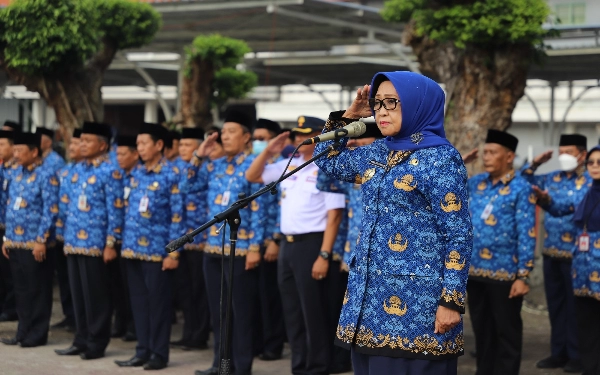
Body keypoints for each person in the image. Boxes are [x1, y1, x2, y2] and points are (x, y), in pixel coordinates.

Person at [312, 71, 473, 375]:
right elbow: (327, 160)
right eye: (377, 104)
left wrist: (451, 301)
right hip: (368, 301)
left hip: (418, 306)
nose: (381, 111)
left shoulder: (440, 158)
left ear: (417, 105)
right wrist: (349, 116)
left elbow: (458, 234)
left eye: (392, 102)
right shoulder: (377, 152)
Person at [246, 115, 346, 375]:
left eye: (307, 135)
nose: (300, 141)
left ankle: (318, 366)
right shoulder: (289, 164)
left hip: (312, 244)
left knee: (313, 311)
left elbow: (334, 216)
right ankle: (299, 365)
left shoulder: (327, 167)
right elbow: (252, 175)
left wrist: (324, 254)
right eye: (297, 136)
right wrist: (269, 150)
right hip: (287, 246)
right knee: (292, 311)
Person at [183, 110, 263, 375]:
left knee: (241, 313)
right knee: (219, 311)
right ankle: (220, 364)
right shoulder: (215, 164)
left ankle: (241, 367)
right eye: (223, 132)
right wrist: (199, 153)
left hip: (240, 249)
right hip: (212, 248)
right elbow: (186, 186)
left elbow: (261, 207)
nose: (225, 137)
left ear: (246, 137)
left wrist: (254, 247)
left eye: (231, 132)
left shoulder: (254, 164)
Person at [466, 129, 536, 375]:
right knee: (482, 333)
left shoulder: (521, 188)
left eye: (493, 152)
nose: (486, 157)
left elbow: (527, 232)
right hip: (474, 271)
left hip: (506, 274)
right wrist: (461, 162)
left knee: (506, 333)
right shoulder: (475, 183)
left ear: (509, 157)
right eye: (485, 152)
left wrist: (523, 275)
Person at [115, 122, 183, 370]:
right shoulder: (136, 173)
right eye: (138, 144)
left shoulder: (171, 174)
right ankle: (142, 350)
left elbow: (178, 216)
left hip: (158, 251)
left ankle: (158, 353)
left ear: (159, 145)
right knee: (139, 304)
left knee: (158, 306)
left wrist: (173, 252)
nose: (139, 148)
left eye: (144, 143)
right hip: (133, 249)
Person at [55, 122, 124, 360]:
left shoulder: (110, 171)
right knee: (79, 296)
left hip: (96, 244)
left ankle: (96, 342)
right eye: (80, 140)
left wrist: (111, 243)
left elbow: (116, 210)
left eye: (87, 141)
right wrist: (63, 236)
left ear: (102, 145)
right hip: (73, 241)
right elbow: (65, 205)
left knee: (96, 297)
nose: (81, 144)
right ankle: (80, 339)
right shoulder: (75, 170)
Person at [520, 134, 588, 372]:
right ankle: (558, 353)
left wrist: (547, 201)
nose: (564, 156)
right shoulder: (553, 177)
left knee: (575, 308)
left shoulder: (591, 181)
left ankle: (577, 356)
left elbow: (573, 207)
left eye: (569, 151)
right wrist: (535, 164)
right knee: (556, 306)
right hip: (551, 252)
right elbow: (522, 183)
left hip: (578, 256)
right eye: (562, 152)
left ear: (582, 154)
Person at [532, 145, 600, 375]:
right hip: (582, 267)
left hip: (592, 266)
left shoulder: (586, 186)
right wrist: (545, 200)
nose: (594, 167)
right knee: (582, 318)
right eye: (592, 163)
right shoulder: (591, 193)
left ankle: (580, 357)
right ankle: (580, 361)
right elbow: (562, 209)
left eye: (598, 163)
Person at [0, 131, 59, 347]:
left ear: (34, 152)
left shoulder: (47, 175)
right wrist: (7, 238)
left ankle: (37, 333)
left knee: (38, 289)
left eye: (19, 150)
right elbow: (8, 207)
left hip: (35, 243)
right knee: (21, 290)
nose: (15, 154)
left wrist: (41, 240)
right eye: (13, 150)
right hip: (15, 241)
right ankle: (22, 331)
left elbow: (50, 210)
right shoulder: (16, 174)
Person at [170, 127, 211, 351]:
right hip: (181, 238)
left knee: (199, 290)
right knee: (184, 291)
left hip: (200, 237)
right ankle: (188, 332)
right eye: (181, 145)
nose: (183, 149)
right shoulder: (177, 169)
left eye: (188, 145)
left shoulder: (205, 169)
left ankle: (200, 334)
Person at [251, 118, 286, 362]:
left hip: (274, 241)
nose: (257, 143)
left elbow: (283, 208)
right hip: (254, 241)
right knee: (257, 297)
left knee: (272, 297)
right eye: (255, 139)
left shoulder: (283, 167)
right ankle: (259, 341)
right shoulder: (257, 166)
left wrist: (275, 239)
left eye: (262, 138)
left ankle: (274, 344)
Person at [53, 128, 83, 333]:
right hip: (64, 232)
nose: (71, 148)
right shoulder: (65, 170)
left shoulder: (92, 171)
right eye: (70, 144)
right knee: (65, 278)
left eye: (76, 144)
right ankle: (70, 315)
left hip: (85, 238)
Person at [110, 134, 140, 342]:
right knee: (118, 286)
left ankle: (133, 327)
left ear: (134, 155)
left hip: (138, 241)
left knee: (135, 290)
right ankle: (121, 322)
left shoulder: (141, 176)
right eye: (117, 154)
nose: (118, 158)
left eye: (122, 154)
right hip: (120, 238)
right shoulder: (119, 176)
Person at [0, 128, 18, 323]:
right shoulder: (2, 168)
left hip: (11, 228)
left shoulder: (17, 171)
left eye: (2, 144)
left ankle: (12, 308)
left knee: (10, 272)